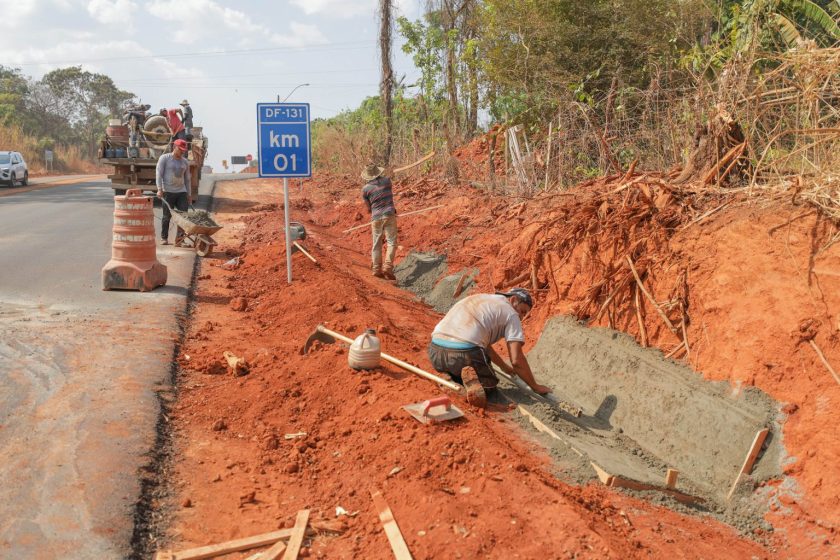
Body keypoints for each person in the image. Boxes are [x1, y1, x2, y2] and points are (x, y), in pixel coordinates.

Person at [428, 288, 551, 407]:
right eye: (523, 311)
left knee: (473, 357)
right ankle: (460, 388)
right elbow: (516, 360)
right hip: (462, 354)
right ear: (513, 300)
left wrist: (504, 368)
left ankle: (448, 376)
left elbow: (484, 346)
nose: (522, 317)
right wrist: (535, 386)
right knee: (490, 387)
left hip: (435, 351)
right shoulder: (512, 314)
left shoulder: (484, 299)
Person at [361, 163, 397, 280]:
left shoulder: (365, 189)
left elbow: (368, 208)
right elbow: (389, 196)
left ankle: (376, 268)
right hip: (389, 214)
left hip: (376, 217)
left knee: (376, 243)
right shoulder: (387, 181)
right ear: (378, 172)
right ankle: (387, 267)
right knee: (391, 242)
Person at [156, 138, 191, 245]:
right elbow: (158, 173)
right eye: (180, 150)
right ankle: (164, 238)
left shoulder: (185, 162)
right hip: (168, 191)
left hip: (181, 192)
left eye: (183, 150)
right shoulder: (165, 158)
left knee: (183, 216)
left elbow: (187, 179)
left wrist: (189, 194)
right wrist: (159, 189)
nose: (182, 152)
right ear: (174, 147)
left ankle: (180, 239)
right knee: (167, 216)